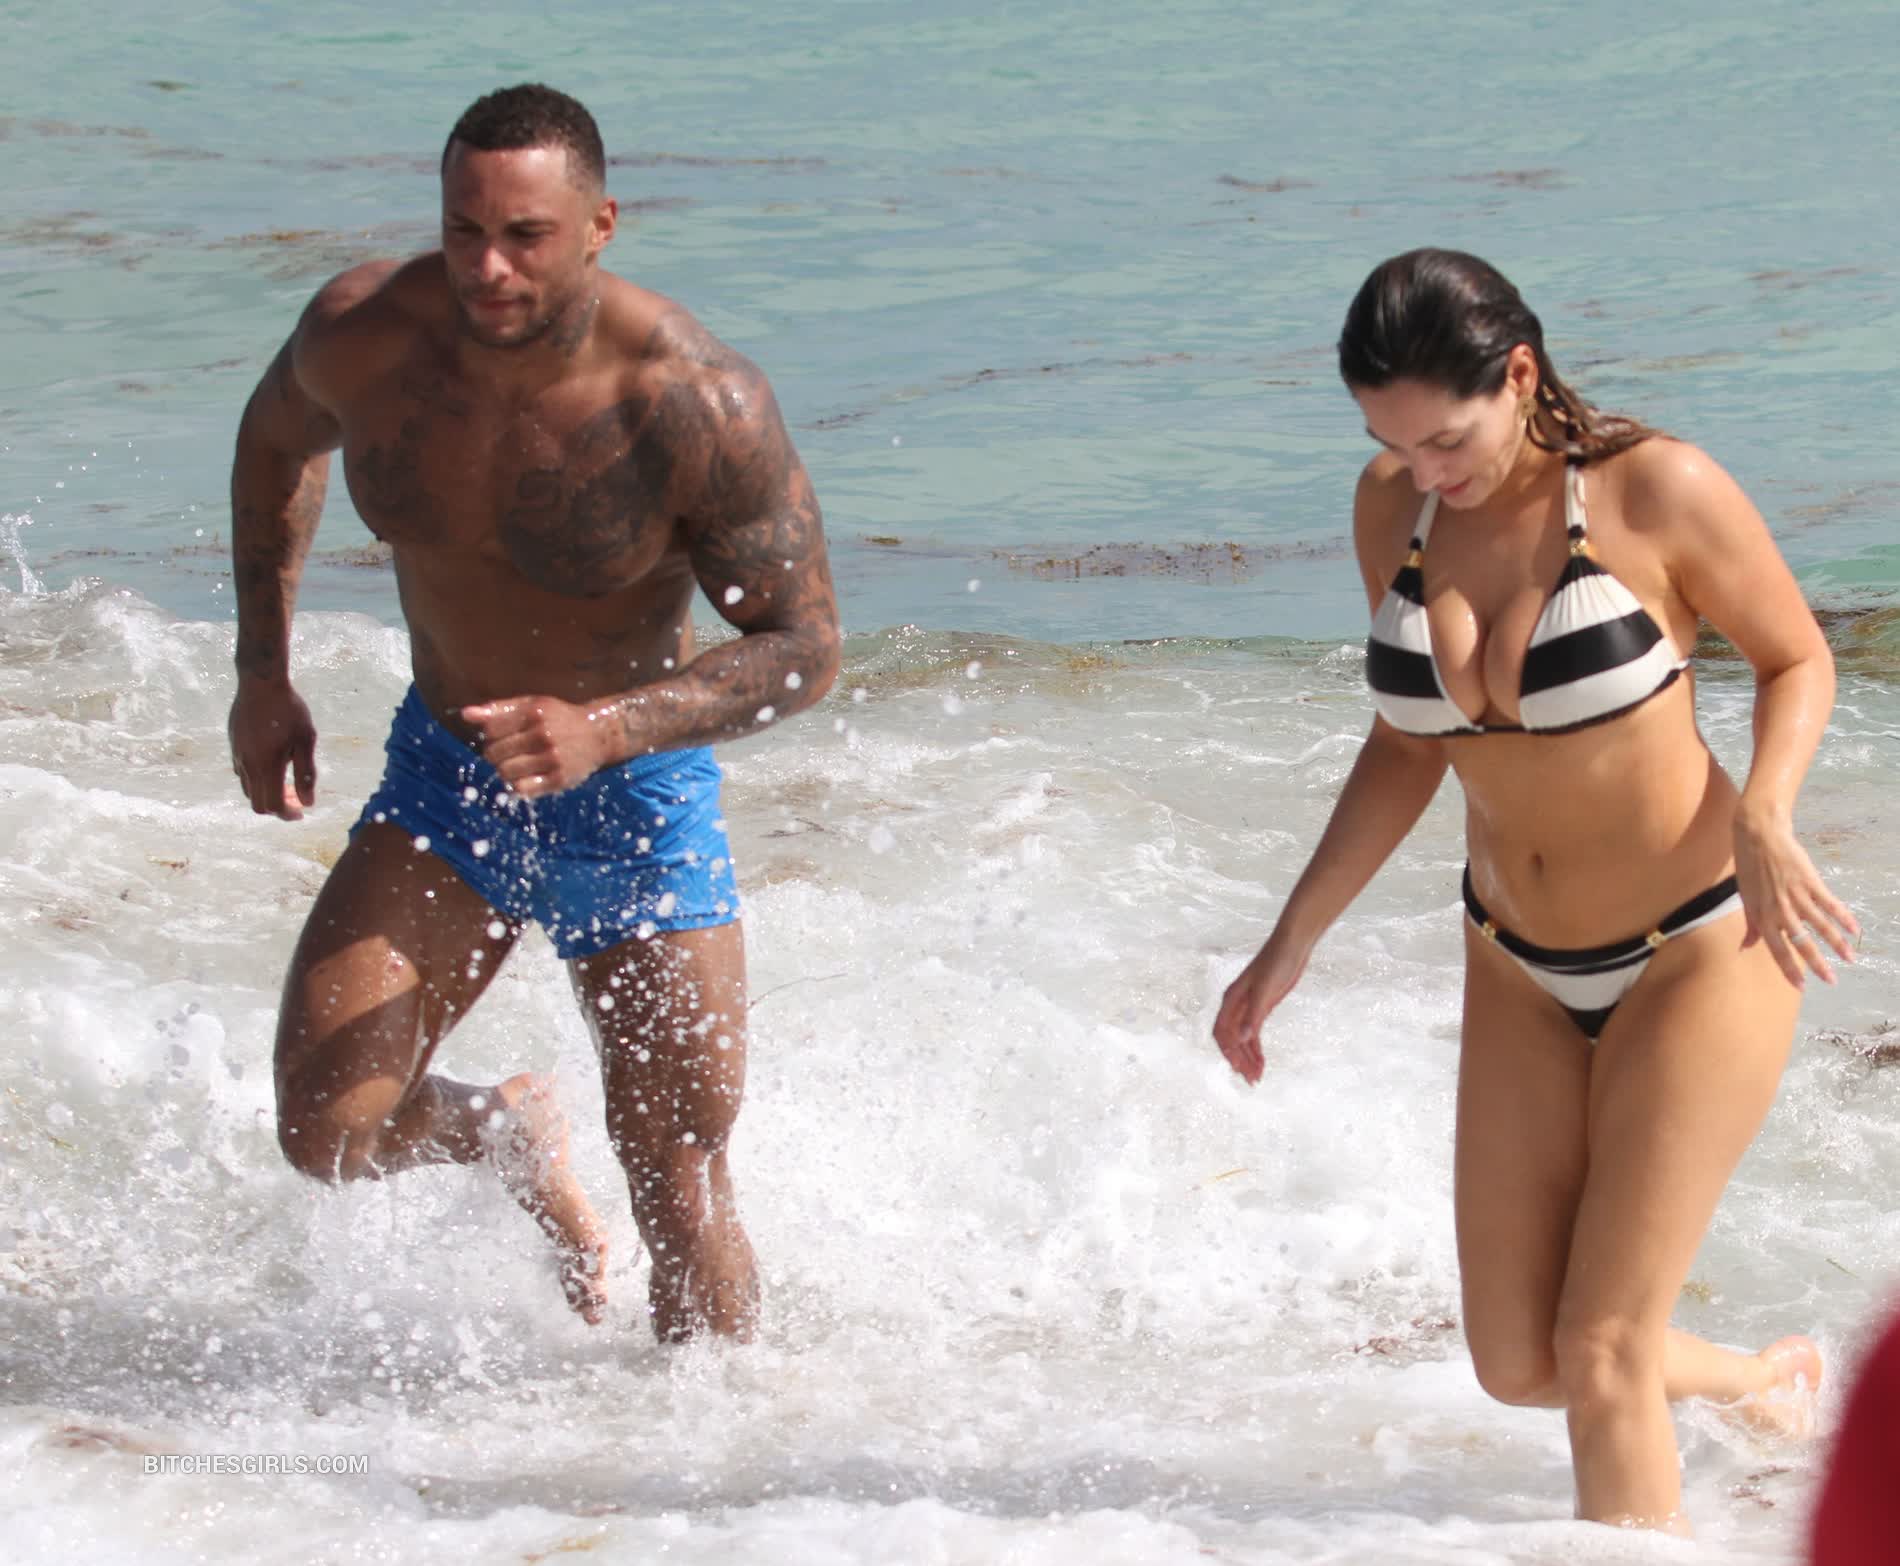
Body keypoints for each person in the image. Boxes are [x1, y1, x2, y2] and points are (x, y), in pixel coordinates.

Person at [1213, 248, 1856, 1533]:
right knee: (1521, 1363)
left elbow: (1796, 659)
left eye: (1444, 440)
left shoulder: (1653, 488)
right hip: (1513, 958)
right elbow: (1410, 743)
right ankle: (1759, 1385)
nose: (1423, 471)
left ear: (1517, 375)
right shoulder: (1392, 508)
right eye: (1392, 443)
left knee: (1602, 1350)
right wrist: (1291, 941)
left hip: (1699, 942)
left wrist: (1767, 811)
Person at [226, 83, 840, 1342]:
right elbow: (275, 442)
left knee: (678, 1179)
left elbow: (805, 649)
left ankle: (716, 1447)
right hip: (449, 773)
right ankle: (500, 1134)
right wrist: (262, 671)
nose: (487, 268)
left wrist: (606, 730)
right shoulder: (363, 336)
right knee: (325, 1130)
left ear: (601, 224)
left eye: (525, 236)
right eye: (463, 231)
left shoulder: (695, 400)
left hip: (632, 795)